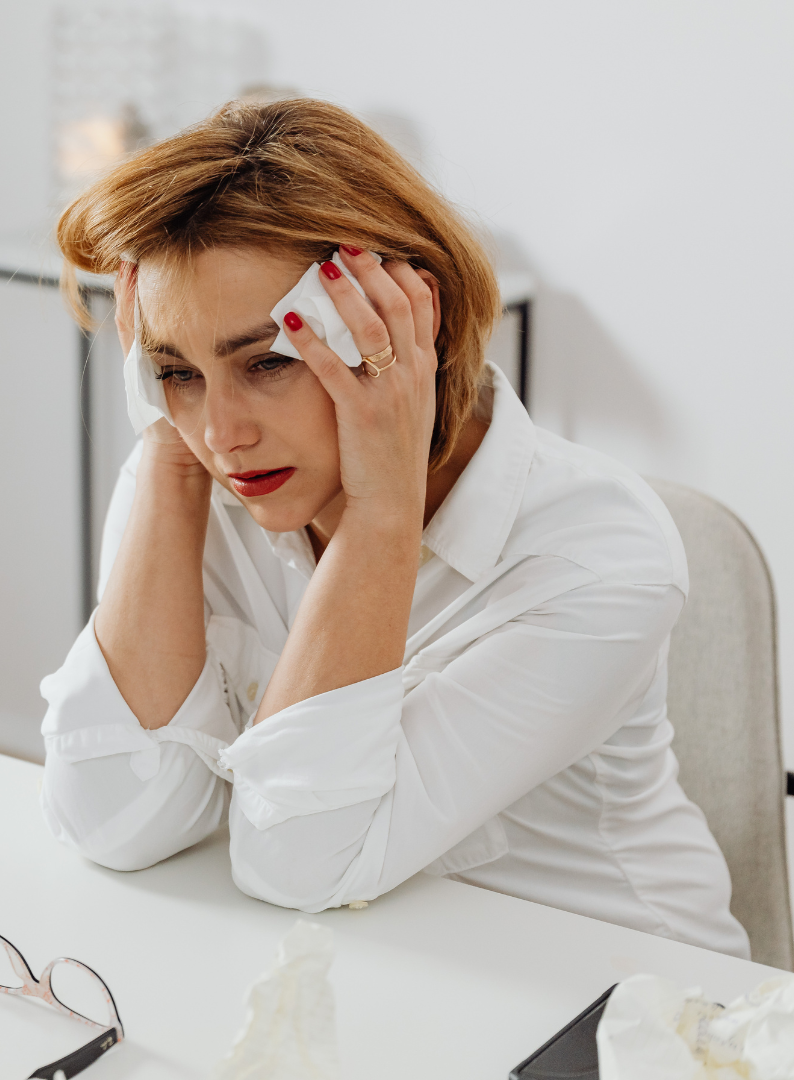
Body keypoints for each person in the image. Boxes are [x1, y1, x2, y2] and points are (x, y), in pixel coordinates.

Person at [40, 98, 749, 959]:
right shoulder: (194, 473)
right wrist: (165, 459)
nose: (220, 432)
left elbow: (297, 864)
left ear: (407, 320)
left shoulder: (597, 557)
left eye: (267, 362)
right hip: (375, 973)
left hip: (616, 997)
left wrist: (381, 511)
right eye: (175, 371)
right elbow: (114, 821)